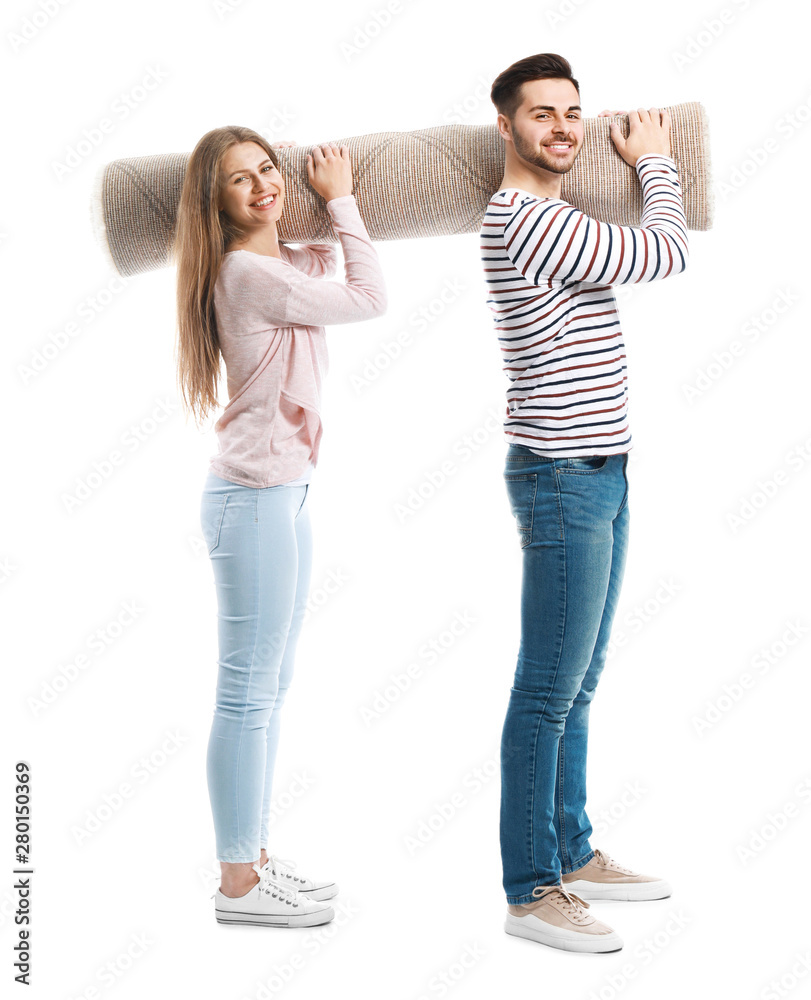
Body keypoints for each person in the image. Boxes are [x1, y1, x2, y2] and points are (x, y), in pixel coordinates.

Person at [479, 53, 689, 953]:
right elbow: (667, 251)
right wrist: (655, 163)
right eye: (541, 114)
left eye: (573, 112)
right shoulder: (524, 217)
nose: (562, 127)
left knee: (579, 683)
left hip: (602, 470)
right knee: (545, 690)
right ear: (505, 127)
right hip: (563, 478)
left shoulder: (558, 209)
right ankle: (531, 890)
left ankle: (569, 849)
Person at [171, 127, 387, 927]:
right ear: (216, 204)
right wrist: (340, 197)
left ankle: (253, 857)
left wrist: (314, 208)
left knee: (270, 688)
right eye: (240, 181)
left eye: (267, 169)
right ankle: (237, 883)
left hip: (281, 494)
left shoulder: (272, 266)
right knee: (245, 694)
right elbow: (368, 296)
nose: (263, 184)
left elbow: (322, 266)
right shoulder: (244, 273)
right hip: (253, 498)